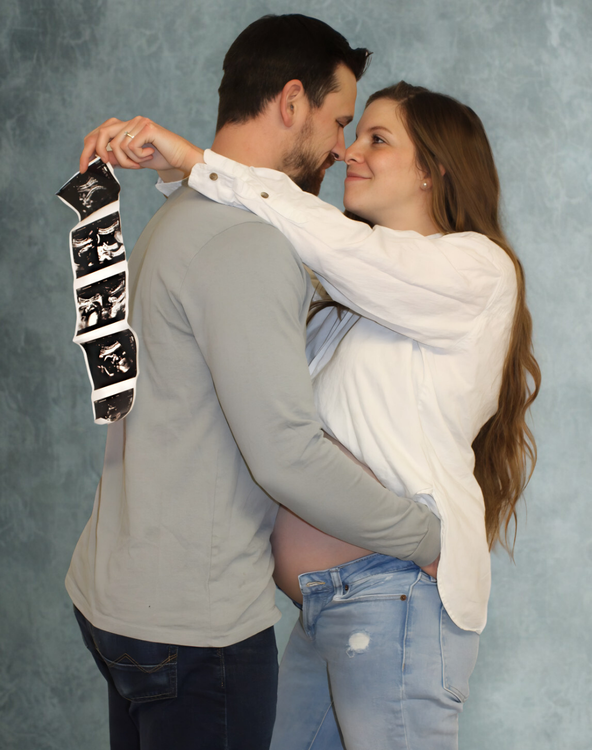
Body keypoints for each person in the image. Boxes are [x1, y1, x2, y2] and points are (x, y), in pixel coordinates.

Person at [83, 79, 540, 749]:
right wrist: (175, 174)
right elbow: (277, 238)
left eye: (377, 139)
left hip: (394, 599)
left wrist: (195, 159)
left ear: (434, 170)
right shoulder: (350, 299)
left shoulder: (476, 268)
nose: (350, 151)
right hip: (326, 605)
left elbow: (328, 239)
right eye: (355, 134)